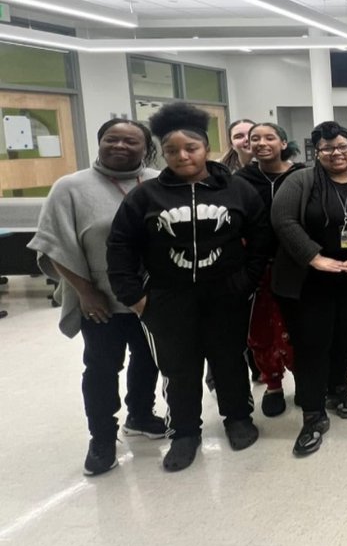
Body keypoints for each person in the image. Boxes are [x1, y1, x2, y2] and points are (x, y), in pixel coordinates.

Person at [106, 103, 271, 472]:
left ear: (206, 148)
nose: (182, 156)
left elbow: (261, 240)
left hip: (227, 294)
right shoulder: (145, 197)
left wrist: (246, 282)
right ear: (162, 153)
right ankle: (184, 432)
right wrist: (135, 297)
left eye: (191, 148)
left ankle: (238, 418)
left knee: (229, 359)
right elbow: (120, 248)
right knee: (179, 369)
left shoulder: (238, 190)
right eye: (171, 150)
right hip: (167, 298)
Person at [31, 118, 165, 476]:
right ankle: (102, 438)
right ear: (99, 142)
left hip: (151, 296)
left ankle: (140, 413)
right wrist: (86, 293)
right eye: (112, 139)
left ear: (146, 147)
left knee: (150, 358)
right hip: (101, 298)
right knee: (103, 367)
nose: (120, 146)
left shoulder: (157, 182)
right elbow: (54, 246)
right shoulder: (70, 187)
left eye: (130, 141)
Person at [271, 122, 347, 457]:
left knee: (344, 336)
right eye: (327, 148)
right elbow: (283, 220)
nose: (337, 153)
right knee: (313, 343)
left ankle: (338, 390)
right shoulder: (300, 181)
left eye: (342, 146)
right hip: (309, 281)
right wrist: (314, 258)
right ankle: (313, 412)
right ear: (316, 152)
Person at [236, 122, 305, 418]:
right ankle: (273, 384)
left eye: (269, 137)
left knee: (300, 326)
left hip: (297, 264)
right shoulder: (241, 180)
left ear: (283, 142)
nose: (262, 143)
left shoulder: (302, 175)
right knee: (261, 329)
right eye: (255, 139)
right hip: (257, 265)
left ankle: (304, 378)